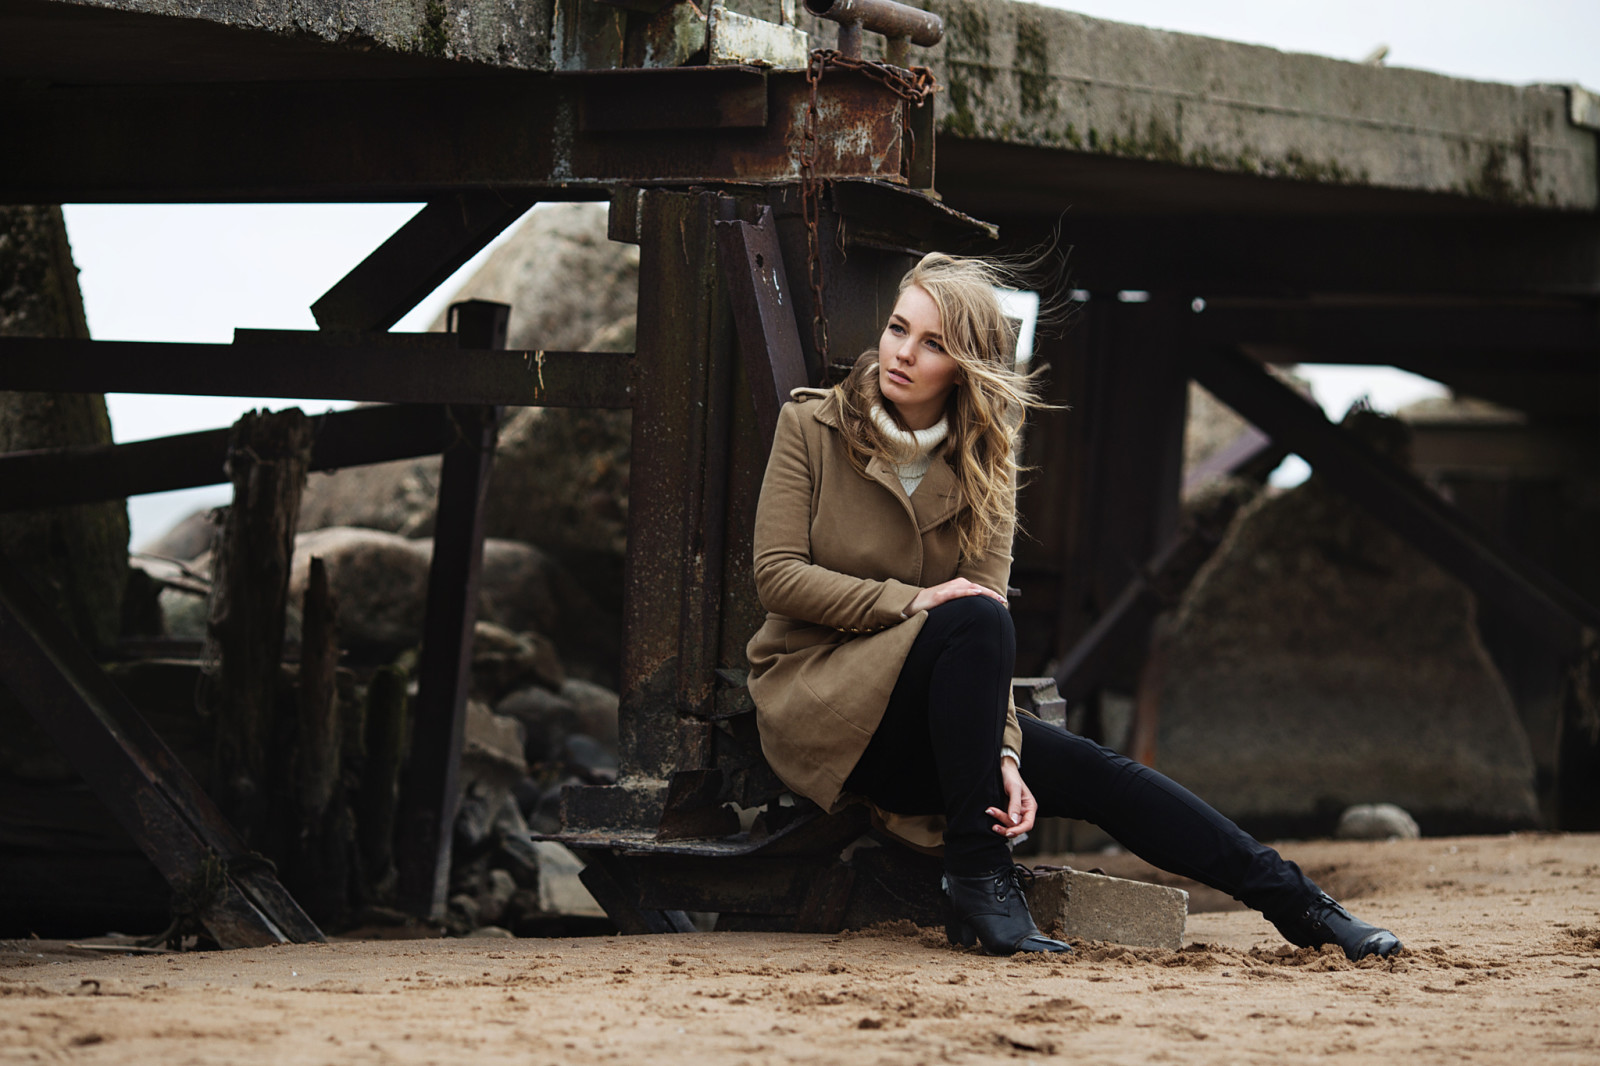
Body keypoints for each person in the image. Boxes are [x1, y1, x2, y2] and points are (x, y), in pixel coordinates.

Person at [745, 252, 1404, 959]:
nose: (902, 353)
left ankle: (1303, 907)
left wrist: (998, 749)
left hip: (931, 723)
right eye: (899, 328)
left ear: (967, 365)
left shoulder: (985, 467)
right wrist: (913, 601)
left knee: (1101, 774)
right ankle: (980, 876)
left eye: (933, 343)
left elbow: (981, 645)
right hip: (823, 704)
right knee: (971, 614)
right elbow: (777, 577)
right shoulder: (812, 429)